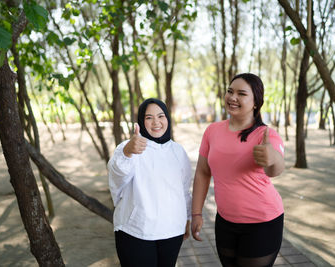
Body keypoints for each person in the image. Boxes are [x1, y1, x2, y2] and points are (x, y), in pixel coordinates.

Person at [191, 73, 285, 267]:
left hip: (262, 224)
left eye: (241, 94)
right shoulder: (212, 131)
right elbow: (202, 172)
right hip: (225, 221)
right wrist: (196, 213)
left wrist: (271, 157)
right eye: (230, 91)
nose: (233, 97)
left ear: (256, 102)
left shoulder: (266, 134)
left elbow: (275, 169)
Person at [108, 98, 192, 267]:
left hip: (172, 231)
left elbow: (184, 189)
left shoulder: (178, 151)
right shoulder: (130, 147)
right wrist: (127, 152)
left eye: (161, 116)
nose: (156, 122)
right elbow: (117, 175)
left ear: (167, 118)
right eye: (149, 117)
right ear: (140, 121)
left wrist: (187, 217)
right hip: (136, 232)